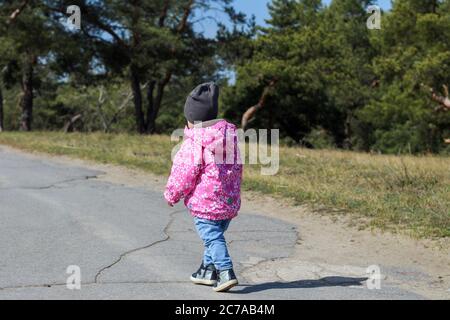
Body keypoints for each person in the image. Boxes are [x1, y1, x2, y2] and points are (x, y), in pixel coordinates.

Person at [164, 82, 242, 292]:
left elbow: (183, 173)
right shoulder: (230, 138)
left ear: (190, 119)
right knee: (214, 235)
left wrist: (172, 194)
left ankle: (225, 271)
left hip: (205, 202)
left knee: (212, 236)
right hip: (228, 201)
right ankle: (207, 270)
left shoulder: (194, 142)